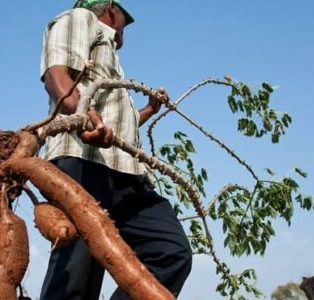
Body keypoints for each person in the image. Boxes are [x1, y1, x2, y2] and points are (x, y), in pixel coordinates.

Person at [39, 1, 192, 299]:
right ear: (110, 8)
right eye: (125, 19)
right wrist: (82, 115)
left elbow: (118, 124)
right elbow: (56, 75)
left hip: (125, 172)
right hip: (83, 159)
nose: (124, 30)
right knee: (77, 273)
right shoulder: (79, 18)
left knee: (171, 252)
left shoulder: (108, 57)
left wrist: (148, 109)